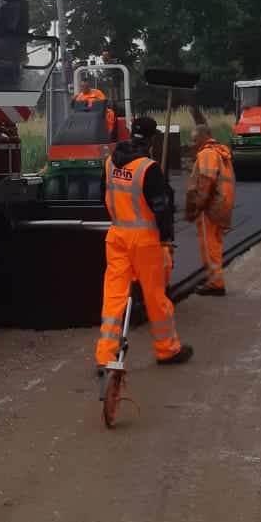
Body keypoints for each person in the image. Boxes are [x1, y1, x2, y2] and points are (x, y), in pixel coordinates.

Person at [95, 115, 193, 373]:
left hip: (116, 237)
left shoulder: (110, 163)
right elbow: (162, 208)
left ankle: (105, 356)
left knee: (114, 297)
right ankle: (167, 349)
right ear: (151, 140)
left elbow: (103, 196)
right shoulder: (148, 169)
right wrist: (166, 237)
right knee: (155, 296)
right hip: (145, 241)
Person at [186, 123, 237, 295]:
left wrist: (198, 206)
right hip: (224, 206)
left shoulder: (207, 153)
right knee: (216, 245)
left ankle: (216, 284)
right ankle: (216, 279)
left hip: (211, 208)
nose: (192, 143)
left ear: (204, 137)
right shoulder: (221, 152)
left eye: (194, 139)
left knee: (209, 247)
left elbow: (206, 181)